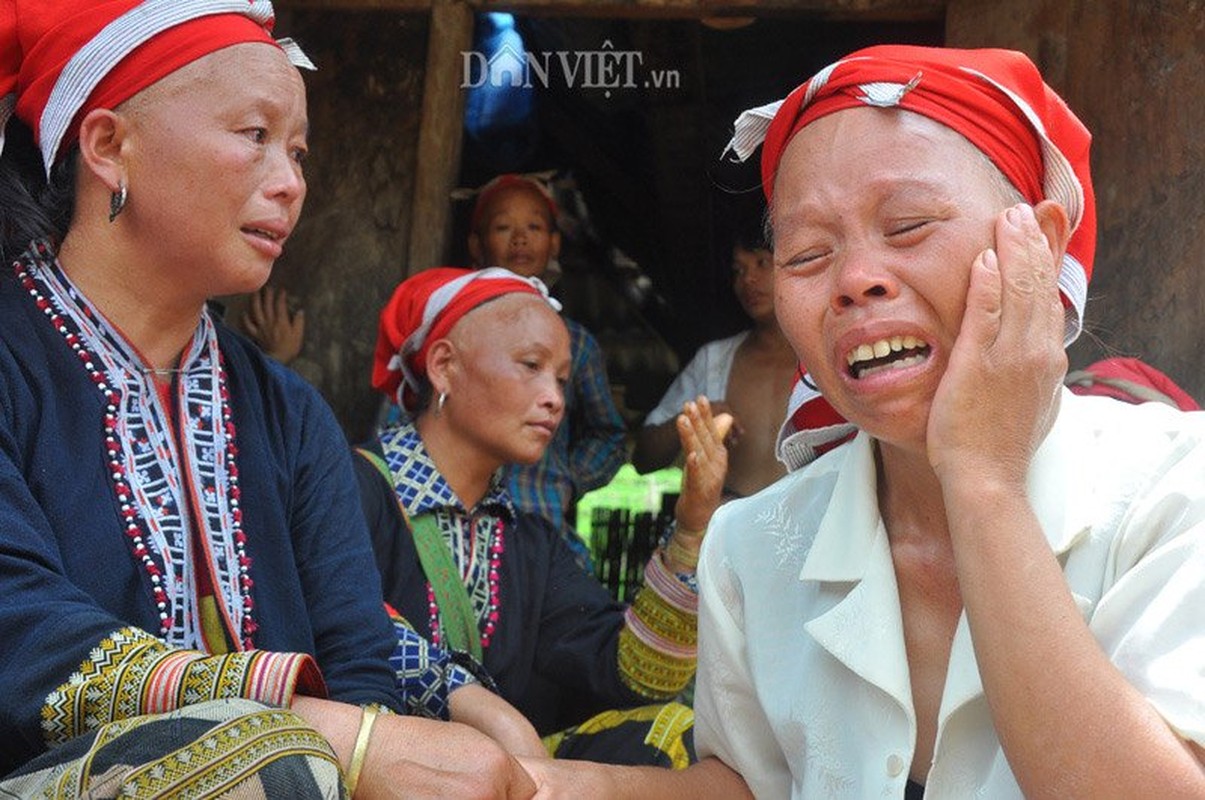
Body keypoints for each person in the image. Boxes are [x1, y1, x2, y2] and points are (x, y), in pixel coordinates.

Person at [516, 43, 1205, 799]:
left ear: (1035, 244)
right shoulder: (751, 547)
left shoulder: (1174, 489)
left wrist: (980, 481)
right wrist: (541, 786)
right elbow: (755, 785)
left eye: (907, 224)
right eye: (807, 254)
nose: (853, 280)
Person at [0, 2, 539, 796]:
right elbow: (17, 624)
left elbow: (356, 654)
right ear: (111, 146)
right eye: (255, 136)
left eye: (297, 151)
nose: (291, 183)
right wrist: (305, 730)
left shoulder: (286, 411)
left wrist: (384, 738)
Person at [356, 266, 728, 765]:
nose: (555, 398)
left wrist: (690, 529)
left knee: (674, 736)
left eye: (561, 378)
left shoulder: (530, 543)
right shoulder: (349, 488)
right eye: (531, 365)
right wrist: (489, 714)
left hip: (503, 779)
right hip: (367, 772)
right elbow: (333, 615)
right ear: (444, 366)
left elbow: (638, 673)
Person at [467, 173, 627, 561]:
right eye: (503, 227)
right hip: (462, 532)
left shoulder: (576, 344)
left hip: (545, 527)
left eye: (534, 227)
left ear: (554, 242)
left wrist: (569, 477)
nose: (519, 238)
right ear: (476, 245)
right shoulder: (452, 335)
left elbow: (609, 433)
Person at [632, 220, 797, 497]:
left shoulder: (828, 359)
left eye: (761, 263)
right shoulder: (714, 359)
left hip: (817, 534)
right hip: (726, 532)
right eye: (738, 270)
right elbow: (644, 458)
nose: (747, 280)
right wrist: (695, 419)